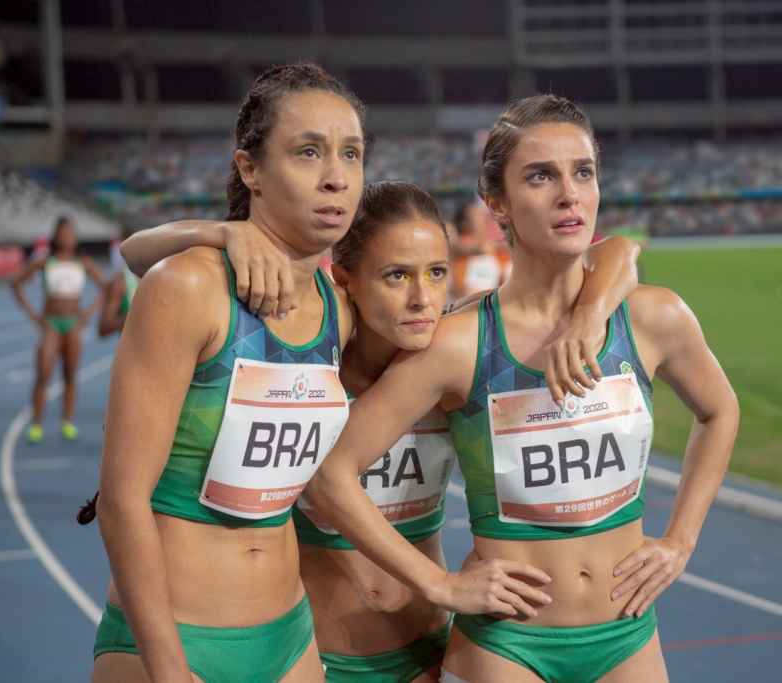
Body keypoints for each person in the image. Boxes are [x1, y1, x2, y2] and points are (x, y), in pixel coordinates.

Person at [92, 62, 554, 683]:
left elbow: (494, 313)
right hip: (178, 638)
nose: (337, 178)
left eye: (352, 155)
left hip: (290, 643)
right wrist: (171, 672)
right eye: (308, 153)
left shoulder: (336, 311)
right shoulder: (188, 288)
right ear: (250, 168)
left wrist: (616, 265)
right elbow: (122, 502)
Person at [120, 176, 641, 683]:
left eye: (437, 273)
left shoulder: (451, 356)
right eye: (396, 276)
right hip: (316, 654)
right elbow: (138, 253)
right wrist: (224, 232)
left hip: (427, 648)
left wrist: (591, 314)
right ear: (344, 280)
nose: (422, 299)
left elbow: (619, 250)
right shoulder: (312, 354)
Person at [306, 94, 740, 683]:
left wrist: (681, 541)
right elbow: (332, 471)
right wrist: (439, 583)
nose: (569, 194)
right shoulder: (457, 343)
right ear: (497, 203)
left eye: (582, 172)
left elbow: (720, 411)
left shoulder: (652, 318)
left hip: (628, 633)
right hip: (507, 645)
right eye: (541, 176)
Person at [11, 217, 106, 443]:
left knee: (70, 374)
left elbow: (105, 288)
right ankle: (36, 425)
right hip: (51, 323)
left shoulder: (82, 262)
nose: (66, 237)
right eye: (62, 233)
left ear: (76, 238)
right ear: (56, 237)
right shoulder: (46, 261)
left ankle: (67, 423)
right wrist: (32, 313)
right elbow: (16, 283)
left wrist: (89, 314)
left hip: (73, 324)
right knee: (43, 373)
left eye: (70, 233)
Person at [449, 201, 510, 300]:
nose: (483, 220)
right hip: (465, 301)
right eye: (477, 217)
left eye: (483, 215)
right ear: (464, 224)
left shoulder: (494, 250)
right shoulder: (461, 243)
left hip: (491, 302)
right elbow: (478, 247)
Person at [98, 227, 141, 337]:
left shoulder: (162, 275)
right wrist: (132, 316)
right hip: (133, 352)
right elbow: (104, 328)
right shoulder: (120, 282)